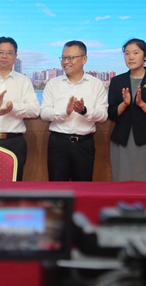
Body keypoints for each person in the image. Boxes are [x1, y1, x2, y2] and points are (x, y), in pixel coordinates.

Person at [40, 40, 108, 181]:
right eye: (63, 58)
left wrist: (84, 110)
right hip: (58, 143)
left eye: (70, 58)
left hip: (84, 144)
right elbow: (44, 113)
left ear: (84, 59)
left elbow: (103, 116)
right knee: (57, 187)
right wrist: (65, 113)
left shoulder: (96, 84)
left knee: (83, 188)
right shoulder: (53, 84)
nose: (66, 62)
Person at [0, 37, 40, 181]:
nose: (4, 56)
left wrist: (13, 108)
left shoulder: (23, 81)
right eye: (0, 52)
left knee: (13, 186)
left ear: (15, 57)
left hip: (14, 142)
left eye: (9, 53)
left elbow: (35, 110)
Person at [107, 38, 146, 182]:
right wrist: (124, 104)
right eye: (127, 53)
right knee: (121, 183)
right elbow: (111, 114)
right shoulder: (117, 81)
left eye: (135, 53)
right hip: (122, 142)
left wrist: (141, 104)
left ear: (145, 56)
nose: (131, 57)